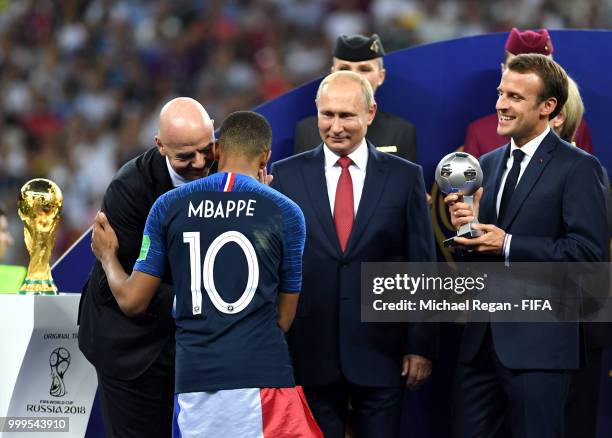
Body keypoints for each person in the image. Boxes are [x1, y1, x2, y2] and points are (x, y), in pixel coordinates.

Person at [90, 110, 321, 438]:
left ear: (217, 149)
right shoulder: (286, 211)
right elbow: (283, 318)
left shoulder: (169, 205)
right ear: (266, 156)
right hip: (264, 377)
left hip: (196, 381)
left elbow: (132, 301)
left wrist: (108, 258)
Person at [446, 54, 608, 438]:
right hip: (480, 347)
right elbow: (479, 258)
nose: (500, 104)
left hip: (541, 348)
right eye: (501, 93)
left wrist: (509, 244)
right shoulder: (486, 162)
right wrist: (467, 233)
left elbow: (588, 257)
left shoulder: (579, 168)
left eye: (516, 97)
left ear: (548, 107)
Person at [272, 70, 438, 438]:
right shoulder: (286, 176)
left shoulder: (404, 177)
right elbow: (276, 267)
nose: (335, 127)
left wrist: (420, 346)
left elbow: (422, 265)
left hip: (383, 355)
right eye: (326, 114)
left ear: (370, 113)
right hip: (309, 354)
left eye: (346, 115)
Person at [78, 97, 216, 437]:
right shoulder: (130, 190)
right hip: (132, 345)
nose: (200, 163)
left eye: (206, 149)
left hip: (196, 344)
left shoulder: (226, 168)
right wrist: (206, 297)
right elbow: (133, 292)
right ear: (160, 146)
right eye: (185, 155)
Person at [549, 76, 612, 438]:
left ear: (555, 113)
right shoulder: (501, 170)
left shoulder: (588, 172)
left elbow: (590, 256)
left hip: (575, 334)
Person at [463, 27, 593, 158]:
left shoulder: (575, 127)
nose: (525, 80)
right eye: (516, 68)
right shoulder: (479, 133)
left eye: (541, 72)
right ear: (504, 70)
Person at [293, 33, 417, 162]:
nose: (353, 76)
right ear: (332, 73)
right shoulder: (306, 131)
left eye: (364, 69)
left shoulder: (401, 132)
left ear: (381, 76)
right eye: (344, 68)